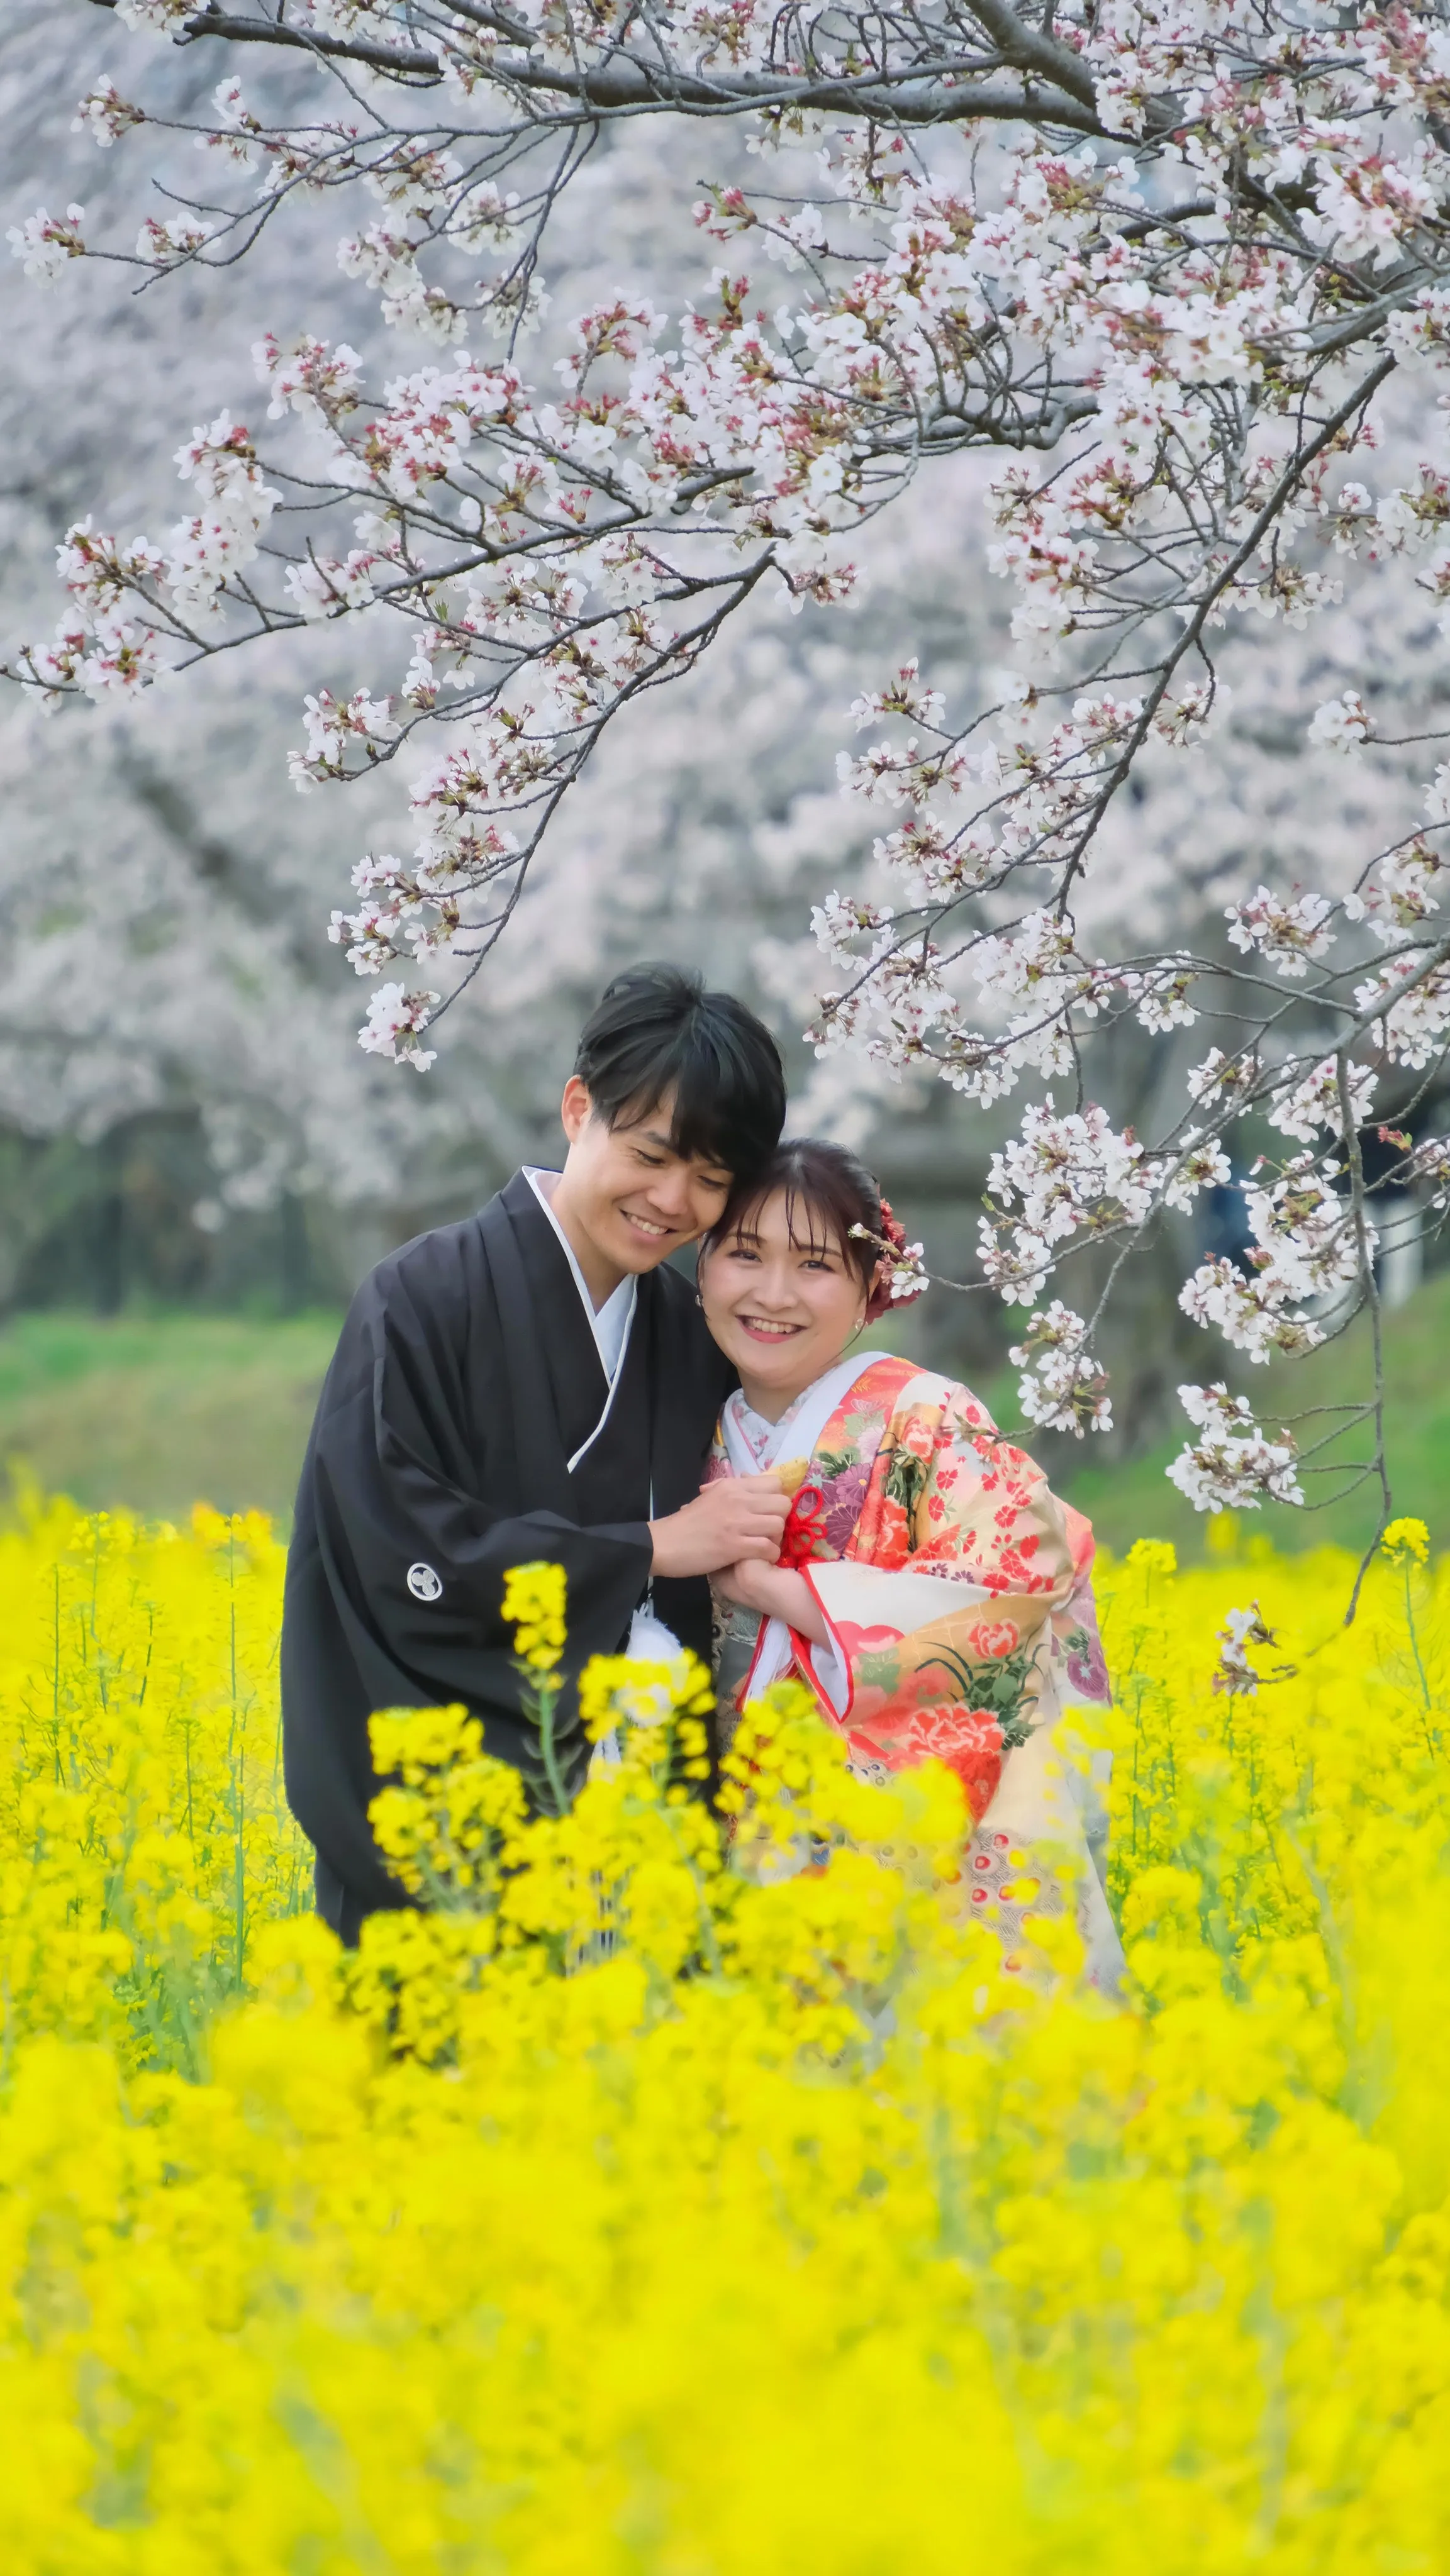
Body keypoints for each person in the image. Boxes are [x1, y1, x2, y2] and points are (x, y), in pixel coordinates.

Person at [282, 965, 791, 1942]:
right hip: (447, 1844)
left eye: (713, 1180)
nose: (673, 1201)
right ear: (577, 1108)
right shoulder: (423, 1300)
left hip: (640, 1858)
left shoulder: (692, 1336)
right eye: (651, 1153)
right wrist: (644, 1550)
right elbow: (398, 1557)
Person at [698, 1136, 1123, 1985]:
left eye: (815, 1264)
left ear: (870, 1286)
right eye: (744, 1253)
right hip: (731, 1834)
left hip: (919, 1850)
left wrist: (775, 1590)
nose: (773, 1294)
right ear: (702, 1262)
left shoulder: (928, 1415)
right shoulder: (679, 1423)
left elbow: (1019, 1581)